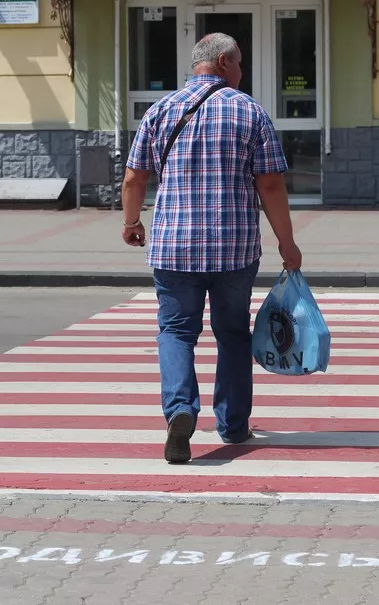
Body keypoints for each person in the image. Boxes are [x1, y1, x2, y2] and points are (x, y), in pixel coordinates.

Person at [121, 32, 303, 465]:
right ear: (223, 62)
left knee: (176, 331)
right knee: (233, 333)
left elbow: (134, 178)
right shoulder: (249, 111)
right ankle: (234, 424)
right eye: (239, 63)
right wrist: (287, 242)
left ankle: (180, 410)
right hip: (233, 248)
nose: (241, 71)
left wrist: (131, 222)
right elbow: (270, 184)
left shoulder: (160, 110)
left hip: (174, 247)